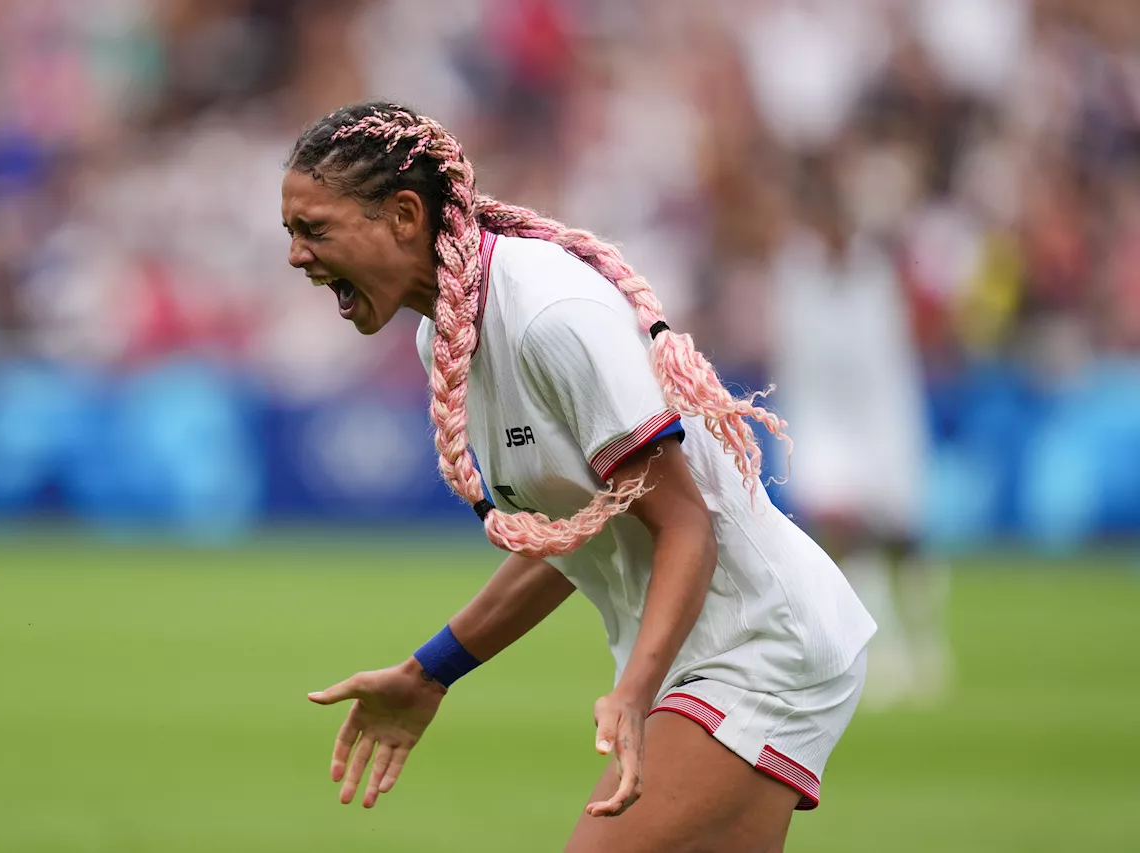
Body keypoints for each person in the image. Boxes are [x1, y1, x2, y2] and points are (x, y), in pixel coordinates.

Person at [286, 101, 876, 853]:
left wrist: (633, 693)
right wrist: (430, 670)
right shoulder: (444, 334)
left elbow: (684, 524)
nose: (298, 256)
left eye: (314, 230)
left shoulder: (547, 314)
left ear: (404, 215)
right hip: (701, 654)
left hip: (757, 647)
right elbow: (578, 535)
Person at [769, 154, 951, 710]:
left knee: (899, 537)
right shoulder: (794, 273)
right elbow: (794, 354)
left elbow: (889, 359)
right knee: (843, 529)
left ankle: (927, 639)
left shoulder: (876, 273)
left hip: (883, 420)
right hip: (822, 423)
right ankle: (882, 649)